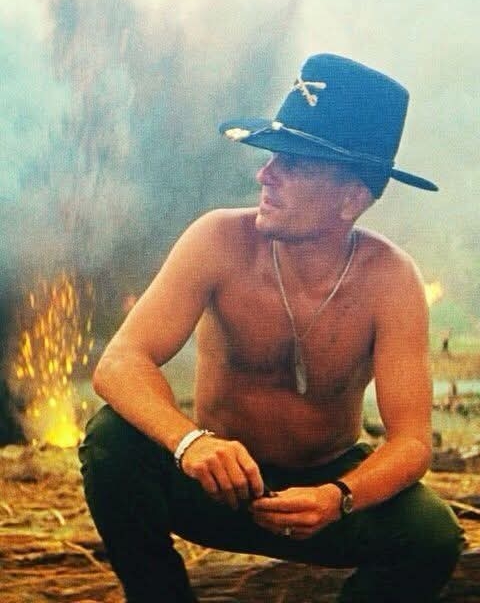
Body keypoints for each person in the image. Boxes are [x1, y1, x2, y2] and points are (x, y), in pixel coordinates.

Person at [79, 53, 464, 603]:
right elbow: (120, 363)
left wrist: (339, 496)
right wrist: (189, 442)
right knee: (111, 441)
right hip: (213, 481)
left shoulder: (391, 280)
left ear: (352, 198)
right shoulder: (217, 239)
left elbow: (411, 442)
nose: (265, 175)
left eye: (296, 165)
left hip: (321, 494)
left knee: (432, 535)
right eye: (272, 157)